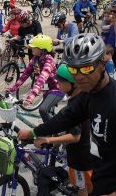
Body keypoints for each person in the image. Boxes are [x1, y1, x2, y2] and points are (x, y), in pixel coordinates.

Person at [18, 33, 116, 195]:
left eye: (86, 68)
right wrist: (34, 132)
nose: (79, 77)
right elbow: (66, 117)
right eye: (74, 69)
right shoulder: (90, 92)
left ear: (103, 64)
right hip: (99, 180)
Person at [35, 64, 94, 196]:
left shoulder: (76, 106)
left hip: (80, 158)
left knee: (82, 188)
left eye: (61, 81)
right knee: (87, 186)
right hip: (84, 154)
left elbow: (75, 136)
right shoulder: (81, 98)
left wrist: (48, 139)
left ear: (74, 84)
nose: (58, 83)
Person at [8, 35, 64, 122]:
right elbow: (25, 74)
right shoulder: (35, 59)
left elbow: (41, 80)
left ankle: (51, 131)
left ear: (42, 49)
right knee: (47, 114)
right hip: (46, 89)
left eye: (34, 47)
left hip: (56, 89)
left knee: (43, 110)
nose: (31, 48)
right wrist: (13, 88)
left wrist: (30, 98)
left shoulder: (49, 61)